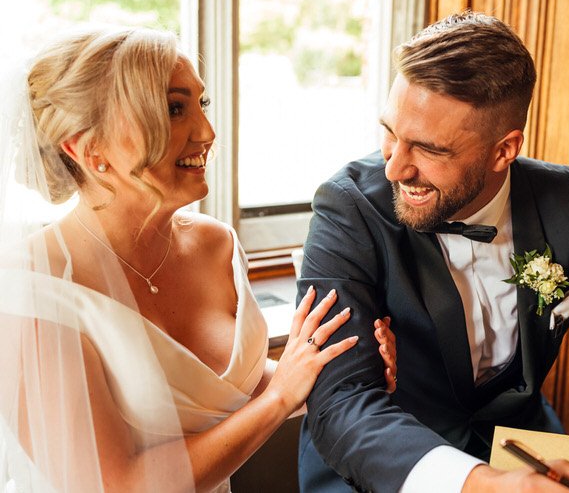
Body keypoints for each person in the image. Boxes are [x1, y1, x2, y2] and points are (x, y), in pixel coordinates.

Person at [296, 11, 569, 493]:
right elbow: (341, 400)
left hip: (523, 450)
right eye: (390, 133)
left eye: (429, 150)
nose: (396, 168)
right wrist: (477, 483)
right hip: (384, 467)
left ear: (504, 150)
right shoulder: (347, 207)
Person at [0, 26, 397, 492]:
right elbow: (118, 484)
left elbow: (229, 388)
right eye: (173, 109)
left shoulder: (217, 245)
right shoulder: (30, 293)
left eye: (200, 104)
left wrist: (343, 368)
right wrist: (282, 396)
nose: (207, 132)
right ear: (89, 150)